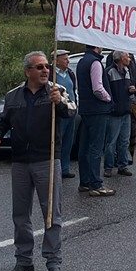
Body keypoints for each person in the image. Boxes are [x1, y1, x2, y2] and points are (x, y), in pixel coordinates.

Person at [0, 51, 68, 271]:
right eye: (39, 67)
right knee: (20, 214)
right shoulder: (13, 96)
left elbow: (72, 112)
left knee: (51, 213)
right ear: (27, 71)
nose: (45, 70)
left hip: (47, 159)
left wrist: (60, 102)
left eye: (46, 67)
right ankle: (23, 260)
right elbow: (3, 120)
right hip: (21, 161)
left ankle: (53, 262)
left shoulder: (56, 91)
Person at [76, 46, 115, 197]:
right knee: (96, 148)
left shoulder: (81, 61)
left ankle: (85, 182)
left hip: (86, 109)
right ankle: (96, 184)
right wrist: (109, 99)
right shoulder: (95, 63)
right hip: (98, 110)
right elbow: (97, 88)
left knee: (85, 147)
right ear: (97, 46)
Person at [103, 50, 135, 178]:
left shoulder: (127, 71)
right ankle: (108, 167)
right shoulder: (109, 72)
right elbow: (106, 92)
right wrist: (112, 106)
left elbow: (129, 87)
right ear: (121, 58)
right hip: (114, 113)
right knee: (111, 142)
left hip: (126, 111)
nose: (129, 59)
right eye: (127, 56)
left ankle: (123, 165)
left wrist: (131, 90)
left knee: (124, 141)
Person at [52, 50, 79, 179]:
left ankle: (65, 168)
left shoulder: (70, 73)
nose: (68, 61)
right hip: (59, 113)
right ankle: (55, 169)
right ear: (56, 60)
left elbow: (73, 90)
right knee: (58, 140)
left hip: (70, 111)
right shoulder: (51, 74)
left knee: (69, 140)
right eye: (65, 59)